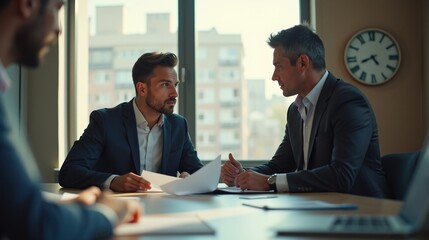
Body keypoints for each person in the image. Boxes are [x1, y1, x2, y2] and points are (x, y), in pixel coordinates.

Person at [0, 0, 141, 239]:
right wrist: (108, 212)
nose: (59, 28)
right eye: (57, 9)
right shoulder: (106, 120)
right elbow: (37, 225)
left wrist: (64, 210)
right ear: (28, 5)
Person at [221, 25, 390, 198]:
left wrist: (268, 182)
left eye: (279, 66)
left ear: (302, 63)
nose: (274, 76)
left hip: (362, 211)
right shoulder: (295, 111)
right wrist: (243, 175)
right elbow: (279, 165)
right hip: (318, 207)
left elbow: (342, 175)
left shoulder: (347, 101)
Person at [59, 52, 203, 192]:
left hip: (165, 210)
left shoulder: (178, 125)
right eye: (165, 85)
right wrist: (114, 181)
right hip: (118, 211)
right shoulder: (105, 121)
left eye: (175, 85)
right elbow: (69, 172)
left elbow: (197, 173)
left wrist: (192, 178)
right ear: (142, 89)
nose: (174, 93)